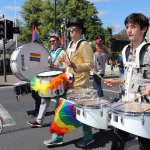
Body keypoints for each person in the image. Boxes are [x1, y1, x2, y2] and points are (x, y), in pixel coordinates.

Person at [43, 17, 94, 148]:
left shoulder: (85, 45)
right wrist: (54, 63)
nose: (71, 31)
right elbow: (63, 56)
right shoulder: (70, 45)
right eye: (70, 29)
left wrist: (74, 64)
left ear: (80, 30)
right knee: (61, 111)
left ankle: (88, 137)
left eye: (74, 29)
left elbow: (89, 65)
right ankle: (57, 137)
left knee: (83, 113)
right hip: (67, 83)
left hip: (80, 85)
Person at [104, 13, 150, 150]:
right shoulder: (126, 50)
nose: (129, 30)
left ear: (144, 29)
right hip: (126, 103)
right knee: (117, 142)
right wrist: (118, 81)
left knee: (145, 144)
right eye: (127, 26)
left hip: (145, 107)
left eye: (133, 26)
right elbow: (130, 75)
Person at [27, 33, 66, 127]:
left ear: (58, 41)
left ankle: (57, 120)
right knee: (44, 98)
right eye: (50, 41)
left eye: (54, 40)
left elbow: (65, 67)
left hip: (59, 78)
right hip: (49, 78)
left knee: (59, 100)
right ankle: (39, 121)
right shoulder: (50, 52)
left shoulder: (63, 52)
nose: (52, 42)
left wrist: (56, 66)